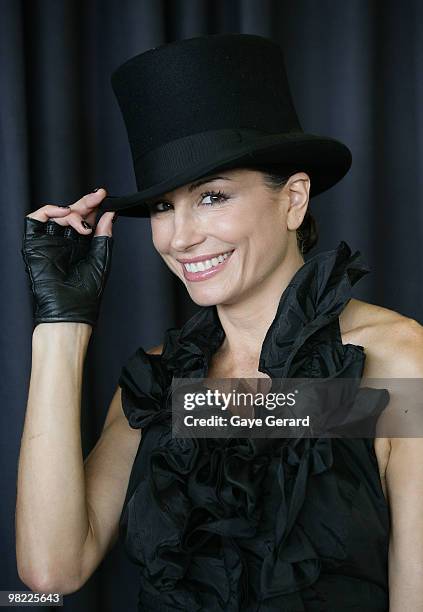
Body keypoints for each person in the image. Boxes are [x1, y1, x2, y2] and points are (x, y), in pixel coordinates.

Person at [17, 34, 423, 611]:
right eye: (163, 206)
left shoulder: (398, 364)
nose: (180, 237)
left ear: (294, 199)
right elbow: (52, 570)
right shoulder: (165, 386)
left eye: (212, 196)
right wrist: (62, 323)